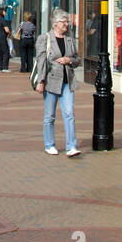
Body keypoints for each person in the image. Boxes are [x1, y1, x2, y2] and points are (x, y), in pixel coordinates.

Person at [34, 8, 81, 156]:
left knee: (69, 113)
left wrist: (70, 60)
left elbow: (77, 59)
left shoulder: (70, 38)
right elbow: (41, 61)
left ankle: (71, 146)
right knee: (50, 116)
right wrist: (40, 81)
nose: (66, 24)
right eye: (63, 21)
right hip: (51, 82)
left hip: (67, 81)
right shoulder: (44, 38)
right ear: (55, 23)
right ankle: (49, 144)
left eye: (67, 21)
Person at [0, 7, 11, 72]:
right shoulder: (3, 20)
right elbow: (6, 29)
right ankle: (5, 67)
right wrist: (9, 33)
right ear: (2, 12)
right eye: (5, 12)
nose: (5, 13)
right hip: (2, 38)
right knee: (6, 52)